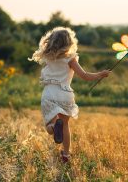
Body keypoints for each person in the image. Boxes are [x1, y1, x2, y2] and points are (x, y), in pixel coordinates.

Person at [28, 27, 111, 163]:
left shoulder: (49, 57)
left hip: (49, 93)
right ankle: (66, 155)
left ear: (52, 41)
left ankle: (54, 127)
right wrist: (100, 74)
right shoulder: (70, 59)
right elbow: (84, 75)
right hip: (65, 94)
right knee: (65, 125)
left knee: (50, 125)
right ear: (69, 43)